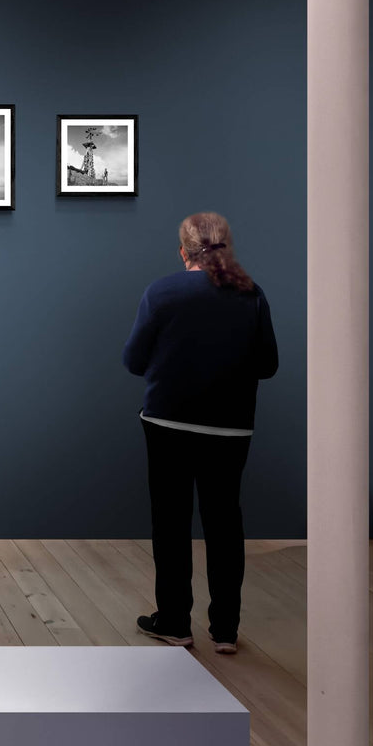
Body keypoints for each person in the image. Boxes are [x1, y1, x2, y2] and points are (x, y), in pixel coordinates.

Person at [123, 212, 278, 654]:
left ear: (182, 251)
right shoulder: (252, 294)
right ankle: (225, 630)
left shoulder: (162, 292)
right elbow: (268, 365)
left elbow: (134, 361)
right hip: (230, 428)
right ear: (226, 247)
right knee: (225, 522)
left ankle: (174, 622)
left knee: (170, 521)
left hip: (167, 422)